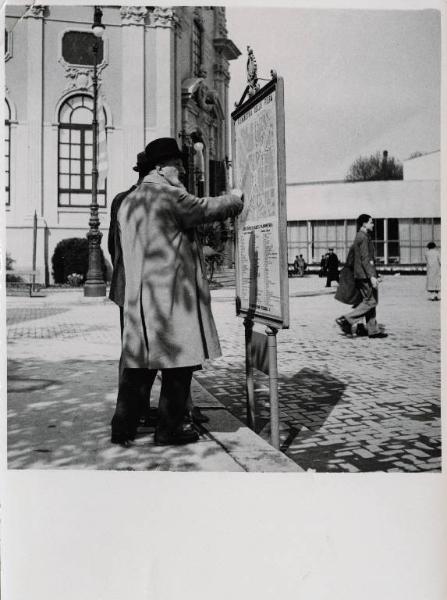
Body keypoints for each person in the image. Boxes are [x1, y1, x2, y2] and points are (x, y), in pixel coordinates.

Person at [111, 137, 244, 446]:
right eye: (179, 167)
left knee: (137, 367)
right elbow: (207, 208)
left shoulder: (130, 201)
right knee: (180, 365)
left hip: (140, 300)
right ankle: (169, 430)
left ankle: (122, 427)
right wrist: (235, 198)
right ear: (162, 168)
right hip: (171, 298)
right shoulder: (168, 196)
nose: (182, 173)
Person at [335, 214, 387, 339]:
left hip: (362, 274)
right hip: (364, 275)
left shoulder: (361, 236)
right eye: (371, 222)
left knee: (370, 301)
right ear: (364, 223)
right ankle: (347, 319)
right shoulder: (363, 237)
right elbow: (365, 259)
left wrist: (375, 274)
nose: (373, 224)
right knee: (371, 301)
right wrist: (372, 276)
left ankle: (372, 330)